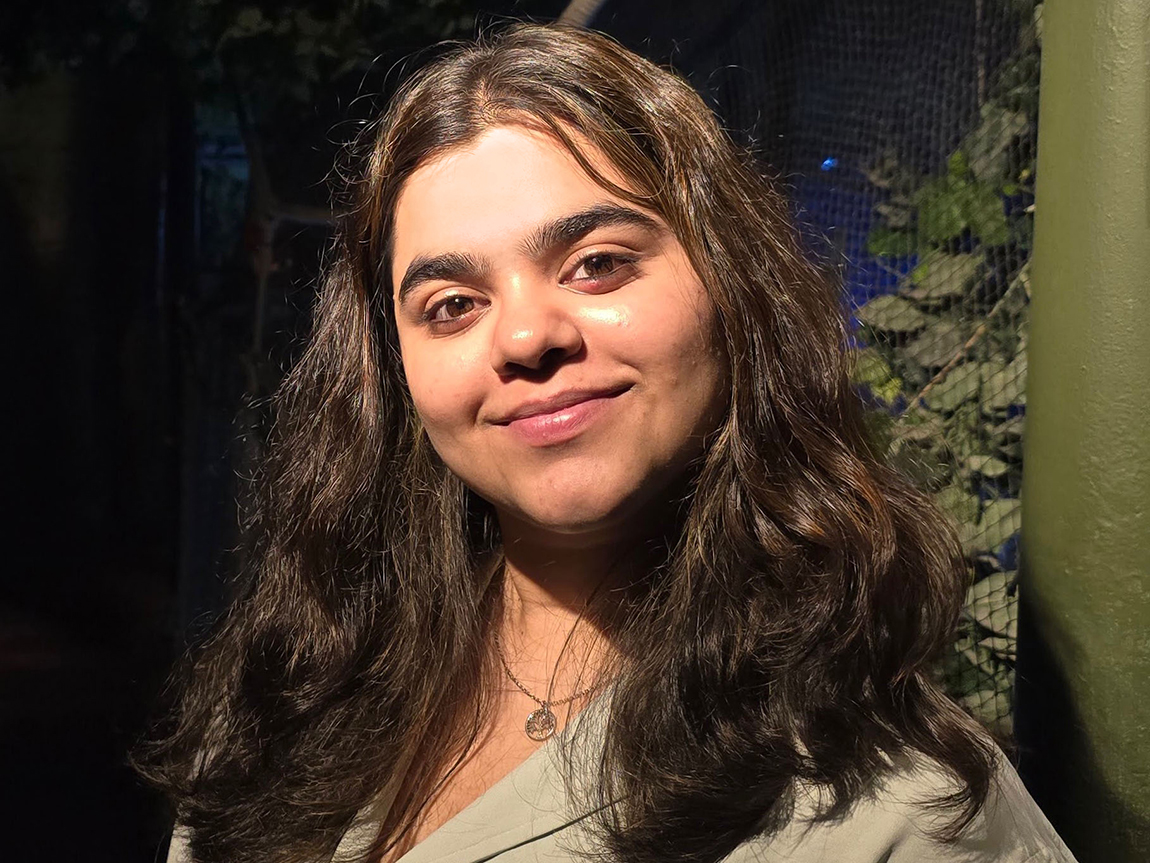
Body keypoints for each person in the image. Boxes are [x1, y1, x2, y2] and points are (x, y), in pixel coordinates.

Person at [139, 22, 1079, 863]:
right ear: (394, 374)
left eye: (596, 263)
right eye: (452, 304)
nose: (525, 336)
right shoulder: (291, 705)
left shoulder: (905, 814)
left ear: (734, 285)